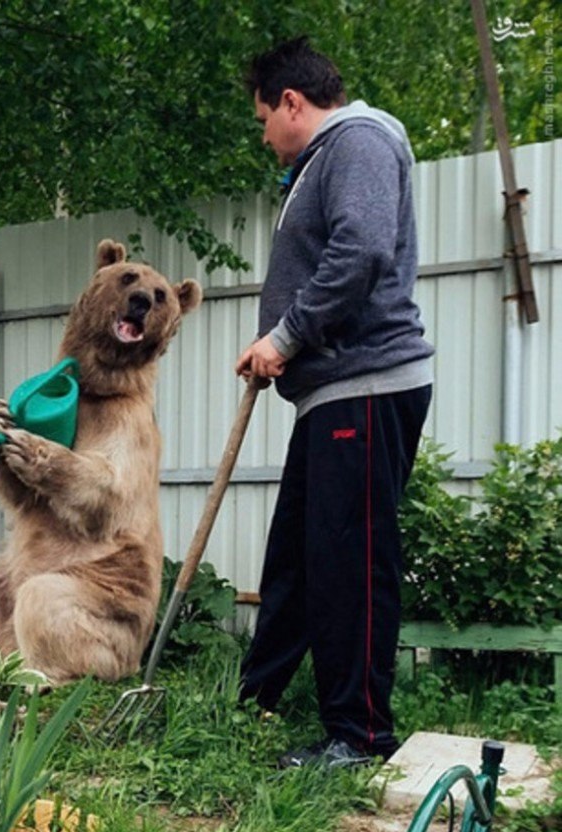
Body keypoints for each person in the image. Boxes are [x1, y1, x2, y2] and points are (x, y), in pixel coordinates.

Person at [234, 37, 434, 769]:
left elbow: (361, 251)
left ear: (293, 102)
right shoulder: (325, 160)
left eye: (263, 118)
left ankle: (361, 736)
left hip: (369, 385)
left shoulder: (360, 143)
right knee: (298, 556)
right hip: (333, 393)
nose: (263, 136)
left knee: (351, 565)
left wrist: (283, 339)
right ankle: (255, 699)